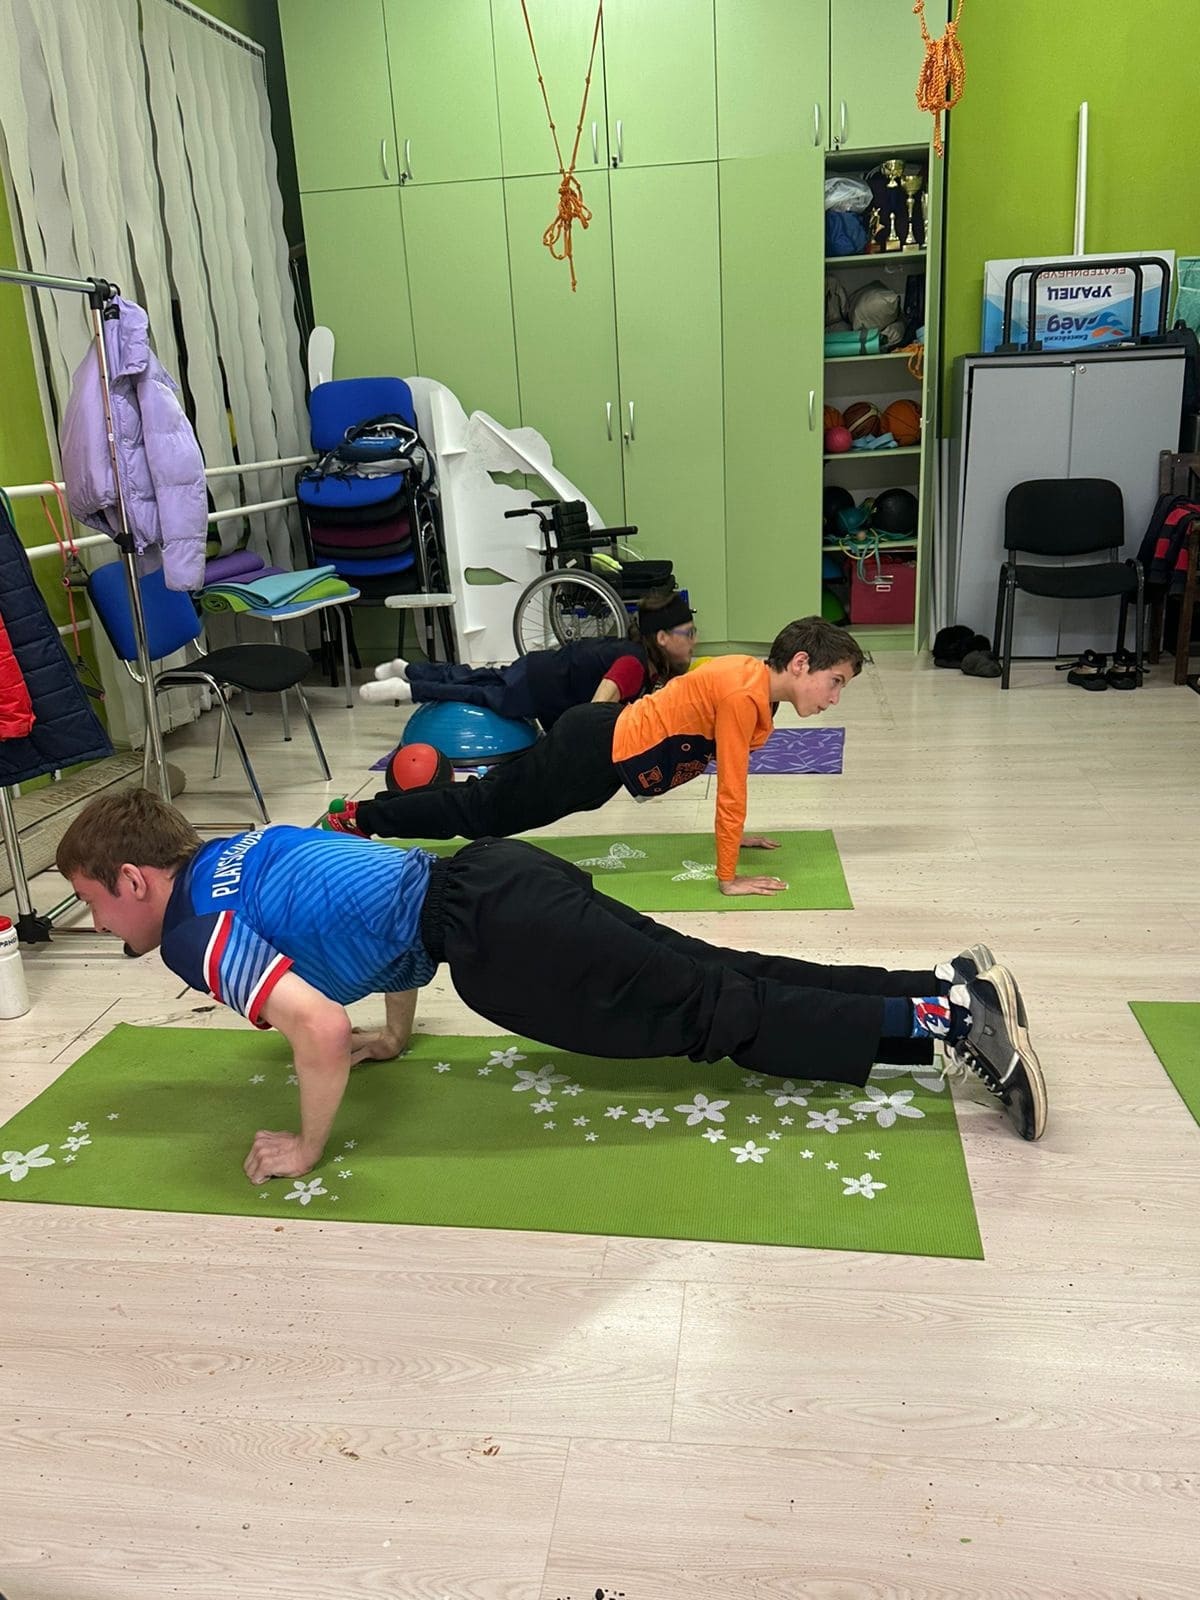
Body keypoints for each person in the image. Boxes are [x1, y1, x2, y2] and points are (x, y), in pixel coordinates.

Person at [56, 790, 1047, 1186]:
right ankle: (944, 989)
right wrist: (394, 1034)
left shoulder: (191, 935)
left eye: (93, 902)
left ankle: (954, 1022)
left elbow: (312, 1026)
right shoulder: (238, 852)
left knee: (716, 1013)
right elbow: (367, 904)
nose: (98, 924)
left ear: (134, 880)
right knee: (719, 972)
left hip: (500, 938)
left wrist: (307, 1144)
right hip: (491, 877)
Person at [322, 615, 862, 898]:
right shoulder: (745, 695)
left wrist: (734, 835)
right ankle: (361, 818)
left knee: (482, 801)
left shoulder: (746, 673)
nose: (834, 697)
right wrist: (728, 875)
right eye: (834, 681)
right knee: (479, 814)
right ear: (799, 663)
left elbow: (693, 721)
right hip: (592, 754)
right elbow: (732, 785)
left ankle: (367, 812)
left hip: (598, 742)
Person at [359, 590, 697, 729]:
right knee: (476, 693)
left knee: (476, 676)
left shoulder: (640, 658)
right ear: (662, 638)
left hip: (541, 667)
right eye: (689, 633)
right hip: (538, 687)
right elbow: (596, 708)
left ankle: (411, 669)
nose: (694, 642)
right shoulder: (633, 665)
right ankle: (408, 690)